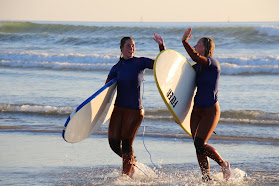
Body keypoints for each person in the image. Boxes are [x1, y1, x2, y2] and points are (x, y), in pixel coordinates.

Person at [105, 33, 165, 177]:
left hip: (134, 110)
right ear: (121, 48)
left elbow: (161, 64)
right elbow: (105, 89)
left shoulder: (140, 62)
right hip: (118, 109)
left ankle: (126, 176)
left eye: (133, 45)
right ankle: (132, 161)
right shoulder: (116, 68)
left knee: (126, 143)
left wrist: (161, 46)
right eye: (128, 45)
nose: (131, 48)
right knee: (114, 144)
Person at [181, 27, 231, 182]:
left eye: (198, 44)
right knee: (198, 146)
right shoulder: (197, 67)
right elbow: (178, 78)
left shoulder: (212, 63)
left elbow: (195, 58)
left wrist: (184, 42)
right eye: (194, 44)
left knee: (199, 143)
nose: (195, 46)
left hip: (210, 111)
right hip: (196, 111)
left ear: (206, 48)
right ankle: (206, 177)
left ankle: (223, 164)